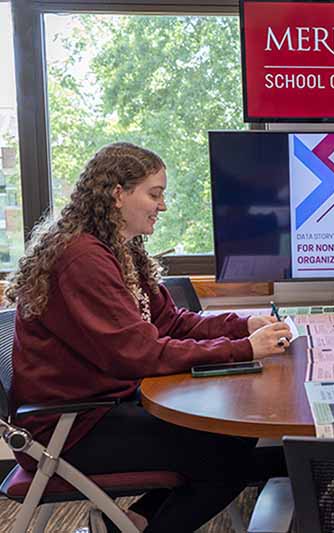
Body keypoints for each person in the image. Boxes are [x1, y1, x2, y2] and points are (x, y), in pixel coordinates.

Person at [4, 142, 293, 532]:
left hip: (102, 407)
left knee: (232, 442)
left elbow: (170, 323)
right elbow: (137, 354)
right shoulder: (82, 259)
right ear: (117, 194)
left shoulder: (116, 249)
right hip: (71, 429)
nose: (163, 205)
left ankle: (131, 521)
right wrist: (242, 349)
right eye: (154, 194)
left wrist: (242, 326)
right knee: (227, 459)